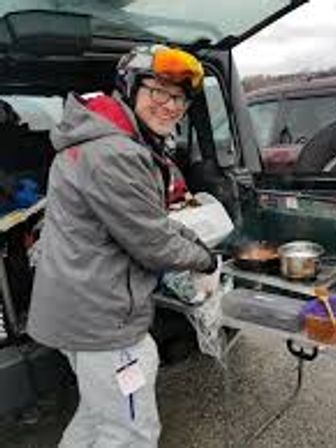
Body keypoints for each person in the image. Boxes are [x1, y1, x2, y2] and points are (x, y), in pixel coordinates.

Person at [27, 44, 216, 448]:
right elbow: (152, 243)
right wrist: (205, 259)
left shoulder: (106, 139)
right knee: (131, 432)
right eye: (157, 92)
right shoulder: (114, 152)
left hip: (77, 310)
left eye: (178, 98)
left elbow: (149, 220)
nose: (169, 106)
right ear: (130, 89)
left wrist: (193, 241)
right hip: (101, 321)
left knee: (98, 417)